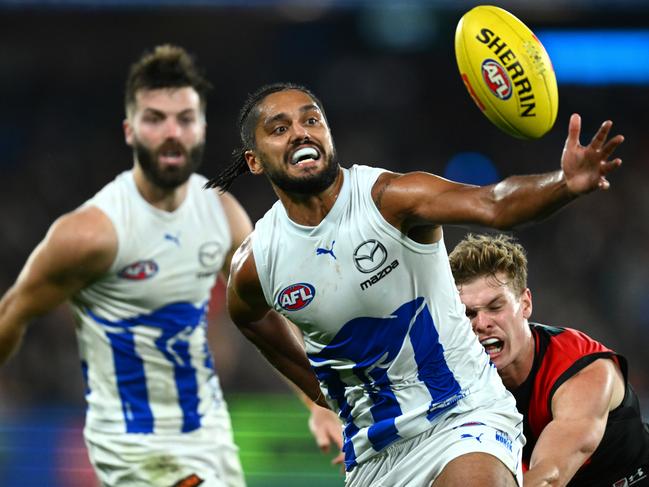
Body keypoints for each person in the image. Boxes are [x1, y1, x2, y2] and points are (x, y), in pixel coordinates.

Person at [204, 82, 624, 486]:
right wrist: (321, 393)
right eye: (280, 129)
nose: (300, 133)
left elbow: (493, 203)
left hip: (461, 416)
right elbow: (250, 317)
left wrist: (564, 184)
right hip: (374, 453)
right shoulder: (258, 263)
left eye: (311, 121)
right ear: (254, 161)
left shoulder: (389, 198)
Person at [0, 45, 253, 487]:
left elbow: (270, 313)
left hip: (211, 439)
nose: (171, 132)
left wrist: (314, 403)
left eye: (184, 119)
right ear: (130, 131)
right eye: (155, 119)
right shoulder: (91, 233)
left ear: (202, 128)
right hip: (135, 448)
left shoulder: (223, 214)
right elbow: (13, 313)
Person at [449, 233, 649, 487]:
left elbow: (549, 478)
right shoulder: (455, 382)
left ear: (525, 304)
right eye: (469, 313)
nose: (482, 323)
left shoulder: (583, 371)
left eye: (495, 307)